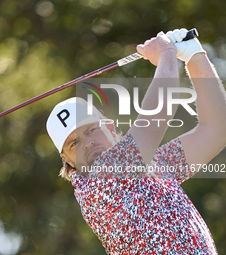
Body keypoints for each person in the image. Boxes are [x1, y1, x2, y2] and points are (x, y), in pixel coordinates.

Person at [46, 28, 226, 254]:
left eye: (91, 130)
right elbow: (162, 108)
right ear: (68, 161)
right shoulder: (99, 184)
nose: (87, 143)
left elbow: (216, 129)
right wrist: (166, 51)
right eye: (74, 143)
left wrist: (193, 54)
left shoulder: (154, 169)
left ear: (110, 127)